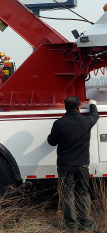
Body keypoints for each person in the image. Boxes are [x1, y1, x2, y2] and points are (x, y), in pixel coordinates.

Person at [47, 96, 98, 231]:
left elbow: (51, 142)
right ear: (78, 107)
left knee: (67, 194)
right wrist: (92, 104)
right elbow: (95, 115)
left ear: (65, 107)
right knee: (84, 193)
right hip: (82, 165)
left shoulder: (59, 124)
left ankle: (71, 225)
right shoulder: (86, 121)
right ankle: (87, 224)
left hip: (65, 165)